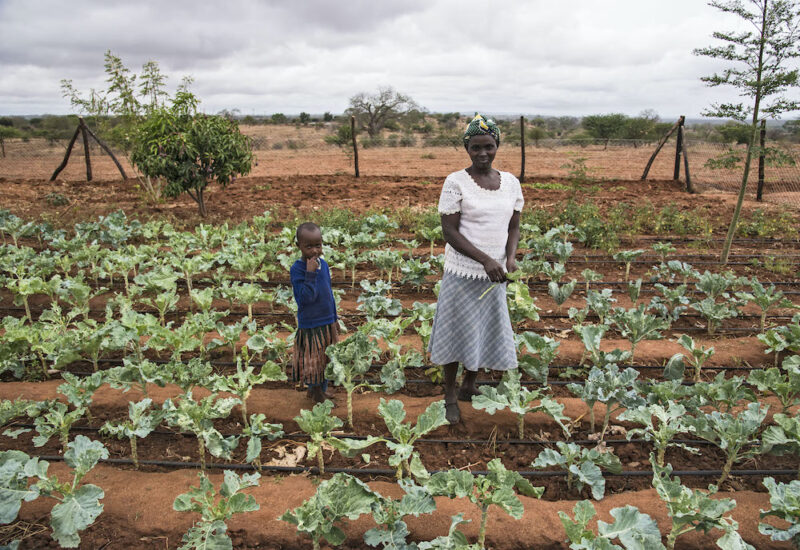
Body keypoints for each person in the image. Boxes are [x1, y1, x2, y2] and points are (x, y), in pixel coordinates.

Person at [427, 114, 524, 424]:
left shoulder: (510, 182)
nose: (483, 154)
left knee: (481, 330)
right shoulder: (456, 182)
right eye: (476, 148)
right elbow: (450, 233)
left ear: (497, 146)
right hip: (463, 273)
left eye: (489, 147)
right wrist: (485, 260)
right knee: (456, 332)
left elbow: (514, 227)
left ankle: (470, 385)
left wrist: (509, 258)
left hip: (495, 275)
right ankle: (450, 396)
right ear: (466, 148)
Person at [290, 222, 339, 403]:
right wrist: (310, 275)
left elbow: (328, 294)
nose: (314, 251)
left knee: (324, 359)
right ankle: (317, 394)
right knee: (314, 361)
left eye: (317, 245)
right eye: (308, 246)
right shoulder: (297, 270)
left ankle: (318, 391)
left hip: (327, 321)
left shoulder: (324, 265)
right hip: (311, 325)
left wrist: (334, 318)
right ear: (299, 247)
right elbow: (304, 299)